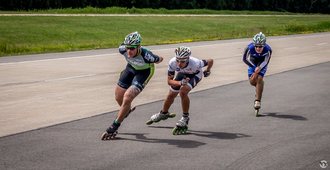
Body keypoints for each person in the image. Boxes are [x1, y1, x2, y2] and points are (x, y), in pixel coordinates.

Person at [101, 31, 163, 140]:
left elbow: (159, 59)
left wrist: (158, 59)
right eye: (127, 47)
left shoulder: (147, 55)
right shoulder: (122, 49)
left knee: (128, 97)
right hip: (130, 68)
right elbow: (126, 49)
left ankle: (114, 126)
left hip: (144, 72)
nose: (129, 51)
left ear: (139, 46)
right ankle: (126, 110)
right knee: (118, 97)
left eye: (132, 48)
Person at [146, 46, 213, 135]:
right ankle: (164, 113)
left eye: (182, 61)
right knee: (171, 95)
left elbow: (210, 61)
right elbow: (169, 81)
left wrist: (207, 70)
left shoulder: (196, 63)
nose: (179, 63)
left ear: (188, 59)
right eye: (178, 60)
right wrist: (180, 83)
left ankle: (185, 117)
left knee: (183, 92)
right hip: (182, 75)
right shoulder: (172, 62)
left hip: (195, 75)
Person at [242, 32, 272, 113]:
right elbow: (245, 59)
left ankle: (257, 101)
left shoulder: (268, 49)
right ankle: (259, 86)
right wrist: (254, 67)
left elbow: (266, 61)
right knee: (252, 81)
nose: (258, 48)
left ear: (264, 45)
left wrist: (260, 67)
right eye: (256, 46)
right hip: (252, 62)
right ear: (254, 44)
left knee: (259, 78)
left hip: (262, 63)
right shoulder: (249, 48)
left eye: (260, 46)